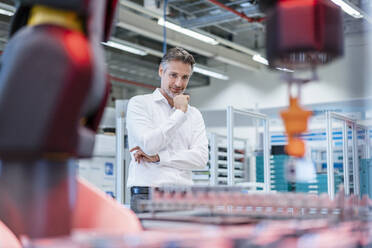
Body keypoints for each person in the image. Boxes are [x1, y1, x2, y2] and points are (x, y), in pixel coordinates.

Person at [126, 47, 209, 212]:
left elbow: (200, 159)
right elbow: (149, 144)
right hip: (148, 195)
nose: (179, 83)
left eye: (185, 77)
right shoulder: (139, 104)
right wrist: (179, 113)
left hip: (184, 197)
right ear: (161, 71)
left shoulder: (195, 115)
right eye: (173, 75)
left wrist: (159, 158)